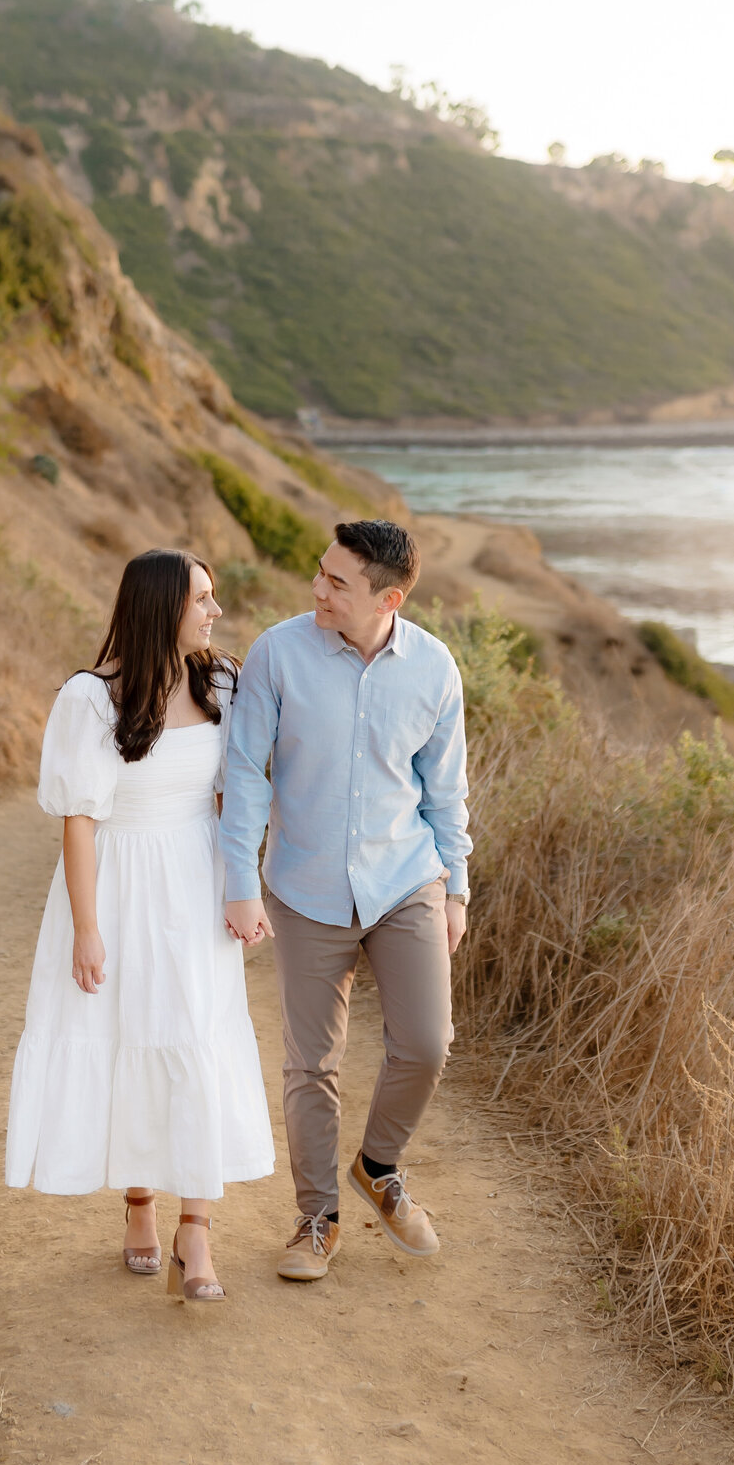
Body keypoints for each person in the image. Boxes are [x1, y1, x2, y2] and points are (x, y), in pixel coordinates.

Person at [5, 549, 274, 1304]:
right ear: (162, 607)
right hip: (117, 884)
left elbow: (236, 799)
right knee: (127, 1036)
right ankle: (138, 1206)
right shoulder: (91, 700)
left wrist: (242, 889)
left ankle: (198, 1226)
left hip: (195, 882)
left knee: (193, 1037)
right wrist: (87, 929)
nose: (215, 612)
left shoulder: (221, 679)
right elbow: (80, 822)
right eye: (202, 599)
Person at [219, 520, 470, 1281]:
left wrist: (455, 888)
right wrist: (240, 884)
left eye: (337, 583)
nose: (317, 590)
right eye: (320, 572)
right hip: (305, 888)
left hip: (405, 883)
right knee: (311, 1063)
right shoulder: (277, 653)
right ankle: (316, 1218)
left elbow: (445, 790)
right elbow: (246, 774)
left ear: (388, 597)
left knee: (427, 1044)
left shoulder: (433, 667)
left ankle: (379, 1167)